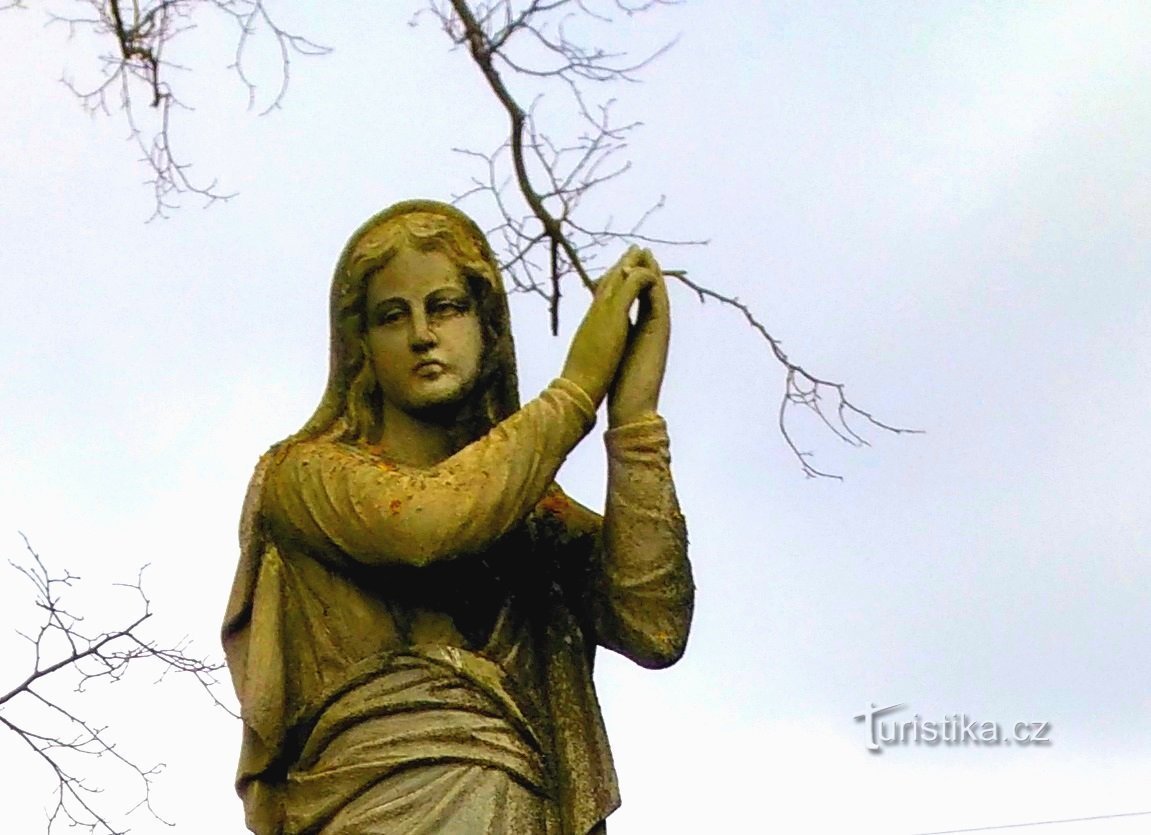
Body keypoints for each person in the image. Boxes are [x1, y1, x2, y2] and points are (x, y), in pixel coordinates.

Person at [222, 200, 693, 835]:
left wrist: (634, 422)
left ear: (487, 327)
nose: (422, 333)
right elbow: (428, 527)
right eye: (394, 316)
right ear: (361, 346)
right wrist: (577, 390)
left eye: (445, 307)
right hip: (380, 805)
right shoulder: (303, 476)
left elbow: (652, 625)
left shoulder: (533, 517)